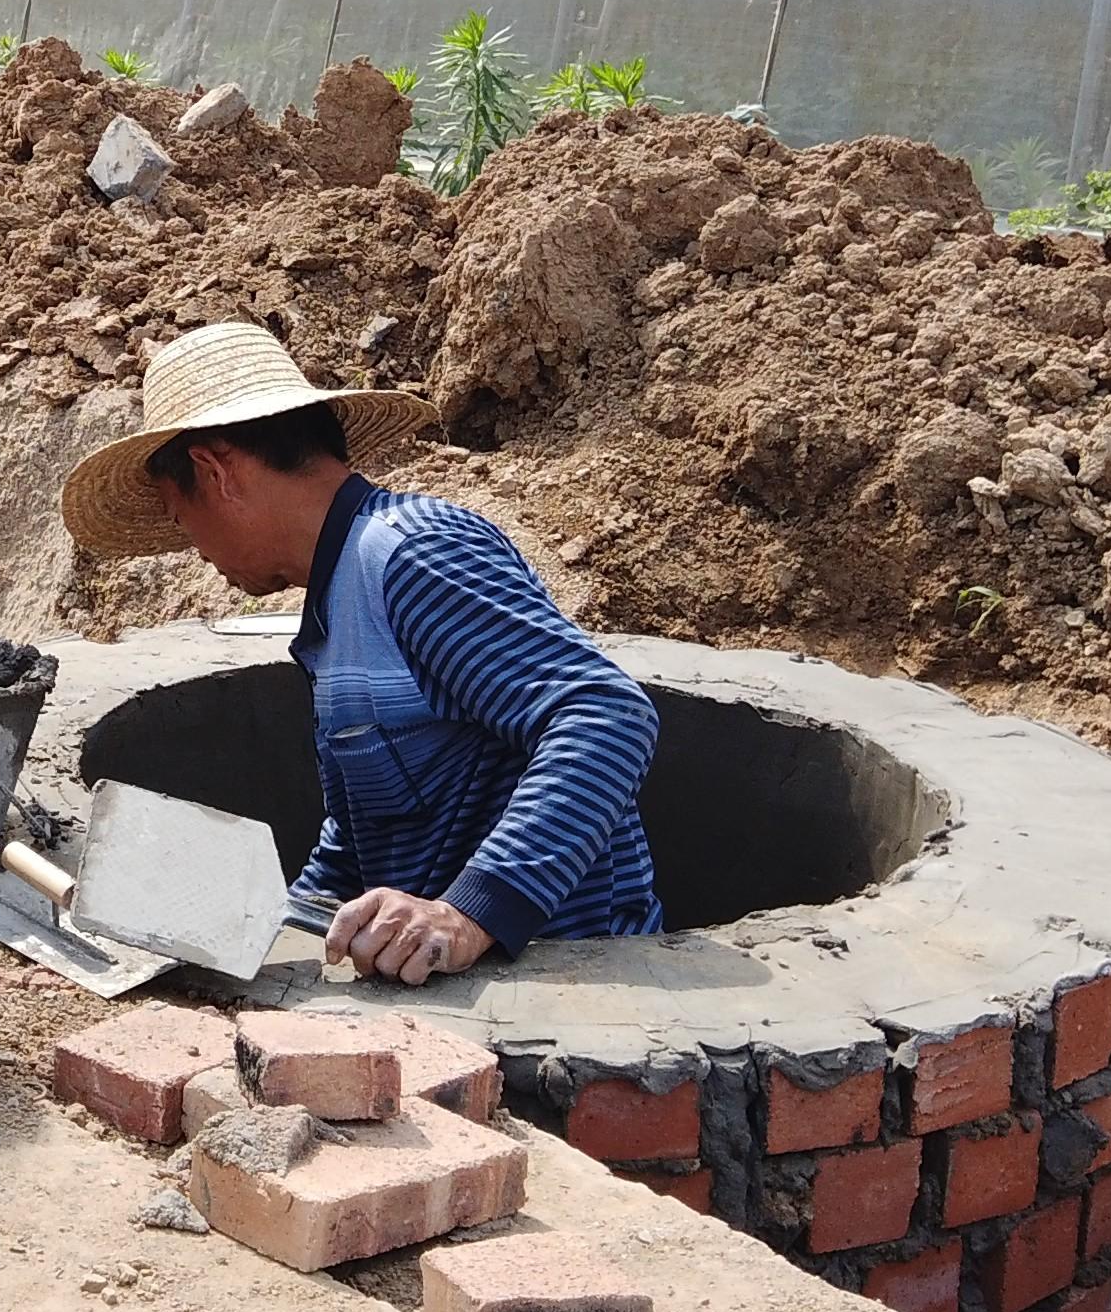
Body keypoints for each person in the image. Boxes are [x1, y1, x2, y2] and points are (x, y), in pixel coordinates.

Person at [60, 324, 665, 983]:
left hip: (571, 983)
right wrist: (271, 932)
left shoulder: (410, 552)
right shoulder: (338, 602)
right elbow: (361, 843)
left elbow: (604, 714)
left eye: (182, 517)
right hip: (464, 999)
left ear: (215, 472)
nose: (195, 549)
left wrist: (466, 916)